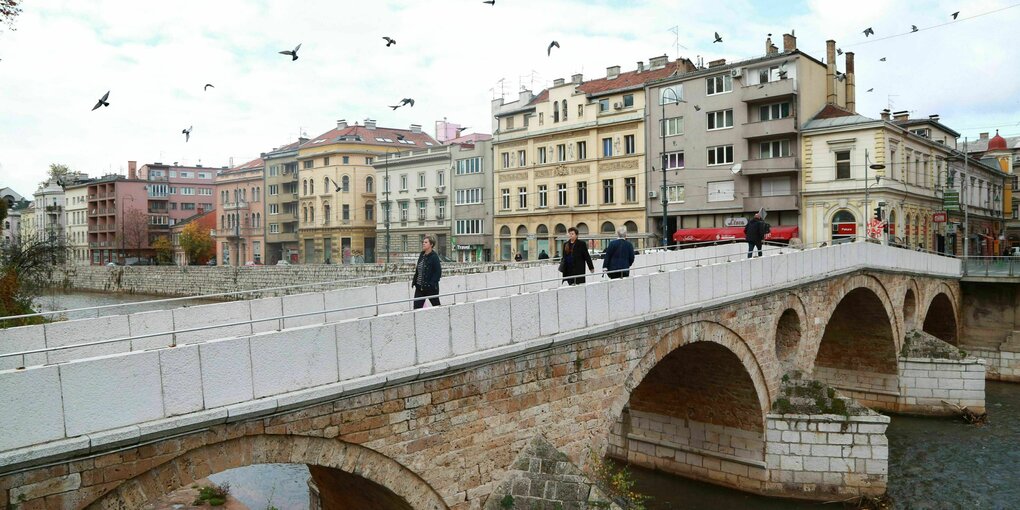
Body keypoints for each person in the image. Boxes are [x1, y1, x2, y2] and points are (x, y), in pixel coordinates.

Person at [412, 234, 442, 309]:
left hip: (430, 289)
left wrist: (431, 284)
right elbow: (418, 270)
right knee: (416, 309)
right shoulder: (422, 255)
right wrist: (414, 282)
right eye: (423, 242)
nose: (423, 243)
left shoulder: (434, 257)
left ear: (431, 244)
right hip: (419, 288)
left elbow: (438, 273)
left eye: (426, 242)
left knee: (437, 307)